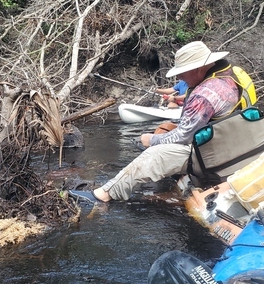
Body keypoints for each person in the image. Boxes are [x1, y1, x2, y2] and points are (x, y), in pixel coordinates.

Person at [71, 41, 241, 202]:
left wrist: (151, 140)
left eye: (182, 71)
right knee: (166, 128)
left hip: (216, 154)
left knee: (153, 154)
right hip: (235, 142)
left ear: (198, 68)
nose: (180, 77)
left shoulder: (204, 95)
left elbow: (183, 137)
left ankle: (104, 195)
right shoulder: (231, 76)